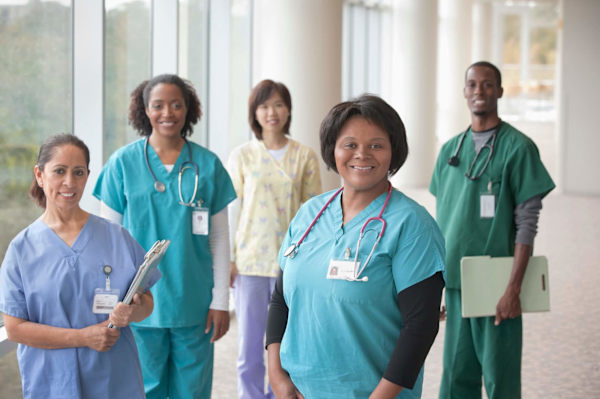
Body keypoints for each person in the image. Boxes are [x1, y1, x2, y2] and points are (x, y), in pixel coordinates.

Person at [266, 95, 446, 399]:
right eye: (350, 144)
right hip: (298, 391)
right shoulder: (310, 214)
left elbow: (421, 327)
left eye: (376, 145)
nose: (362, 155)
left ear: (393, 152)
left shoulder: (412, 226)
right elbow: (280, 299)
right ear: (333, 150)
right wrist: (276, 374)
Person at [93, 74, 236, 398]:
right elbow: (108, 239)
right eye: (158, 105)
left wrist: (220, 302)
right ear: (145, 110)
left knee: (192, 391)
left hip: (193, 301)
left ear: (189, 110)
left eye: (176, 105)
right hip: (138, 303)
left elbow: (219, 240)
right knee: (144, 389)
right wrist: (110, 300)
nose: (167, 113)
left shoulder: (207, 164)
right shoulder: (122, 164)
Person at [430, 61, 556, 399]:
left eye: (487, 84)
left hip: (497, 282)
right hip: (457, 282)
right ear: (464, 92)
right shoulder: (449, 152)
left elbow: (527, 225)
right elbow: (442, 224)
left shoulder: (519, 148)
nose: (479, 91)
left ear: (500, 91)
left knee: (500, 377)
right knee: (456, 377)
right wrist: (434, 287)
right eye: (472, 84)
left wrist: (513, 288)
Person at [0, 134, 160, 399]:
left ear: (88, 175)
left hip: (114, 378)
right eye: (59, 171)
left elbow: (147, 303)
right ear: (40, 175)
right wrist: (83, 337)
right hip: (50, 382)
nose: (69, 182)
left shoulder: (117, 237)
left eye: (78, 172)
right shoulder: (21, 249)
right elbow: (15, 328)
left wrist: (132, 312)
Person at [227, 79, 322, 399]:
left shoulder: (305, 156)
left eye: (278, 104)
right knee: (250, 349)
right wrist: (229, 259)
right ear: (254, 112)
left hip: (293, 265)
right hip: (251, 263)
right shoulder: (241, 156)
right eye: (264, 105)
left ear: (289, 110)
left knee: (288, 349)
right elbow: (232, 213)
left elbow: (315, 217)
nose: (272, 112)